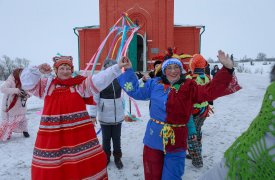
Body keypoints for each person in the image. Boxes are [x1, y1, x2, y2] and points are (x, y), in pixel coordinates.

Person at [117, 50, 241, 179]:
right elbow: (136, 91)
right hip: (153, 138)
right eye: (169, 67)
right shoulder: (155, 84)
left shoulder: (189, 86)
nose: (173, 71)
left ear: (181, 70)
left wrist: (227, 69)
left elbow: (208, 91)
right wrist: (128, 70)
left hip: (177, 141)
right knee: (152, 175)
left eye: (176, 67)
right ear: (164, 70)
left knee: (172, 176)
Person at [20, 56, 129, 180]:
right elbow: (27, 84)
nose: (65, 71)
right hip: (53, 135)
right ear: (56, 70)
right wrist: (37, 70)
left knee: (81, 163)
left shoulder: (79, 85)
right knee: (54, 165)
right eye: (62, 68)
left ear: (72, 70)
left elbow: (99, 80)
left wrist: (117, 67)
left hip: (78, 134)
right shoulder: (46, 86)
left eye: (68, 68)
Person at [200, 64, 275, 180]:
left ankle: (196, 156)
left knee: (194, 132)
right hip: (201, 107)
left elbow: (209, 88)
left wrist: (226, 71)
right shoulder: (257, 139)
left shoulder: (256, 146)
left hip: (199, 109)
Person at [88, 59, 125, 170]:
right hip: (105, 115)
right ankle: (106, 157)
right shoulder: (100, 80)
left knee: (117, 138)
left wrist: (142, 80)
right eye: (109, 68)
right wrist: (93, 115)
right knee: (106, 139)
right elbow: (94, 98)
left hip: (117, 115)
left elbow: (131, 86)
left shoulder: (119, 78)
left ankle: (118, 158)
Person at [0, 68, 30, 141]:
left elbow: (30, 91)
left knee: (22, 119)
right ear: (17, 73)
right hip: (10, 105)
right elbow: (2, 88)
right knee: (8, 121)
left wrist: (26, 95)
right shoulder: (10, 80)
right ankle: (7, 134)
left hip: (20, 105)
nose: (22, 76)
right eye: (21, 74)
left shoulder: (26, 81)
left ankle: (25, 130)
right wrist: (16, 90)